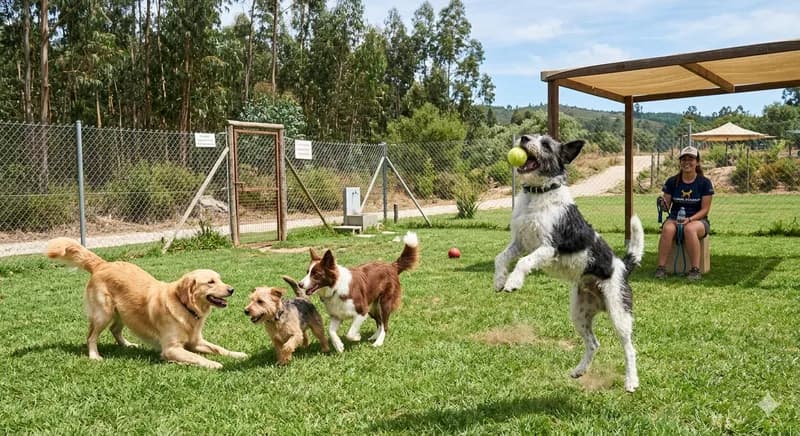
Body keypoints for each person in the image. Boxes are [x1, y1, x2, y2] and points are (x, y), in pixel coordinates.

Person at [655, 145, 714, 280]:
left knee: (689, 229)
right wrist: (663, 204)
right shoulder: (672, 181)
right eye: (684, 159)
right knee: (667, 229)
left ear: (697, 162)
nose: (687, 162)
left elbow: (705, 210)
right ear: (680, 162)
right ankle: (661, 268)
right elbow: (667, 206)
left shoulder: (704, 183)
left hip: (698, 220)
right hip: (675, 217)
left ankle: (695, 270)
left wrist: (690, 219)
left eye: (691, 159)